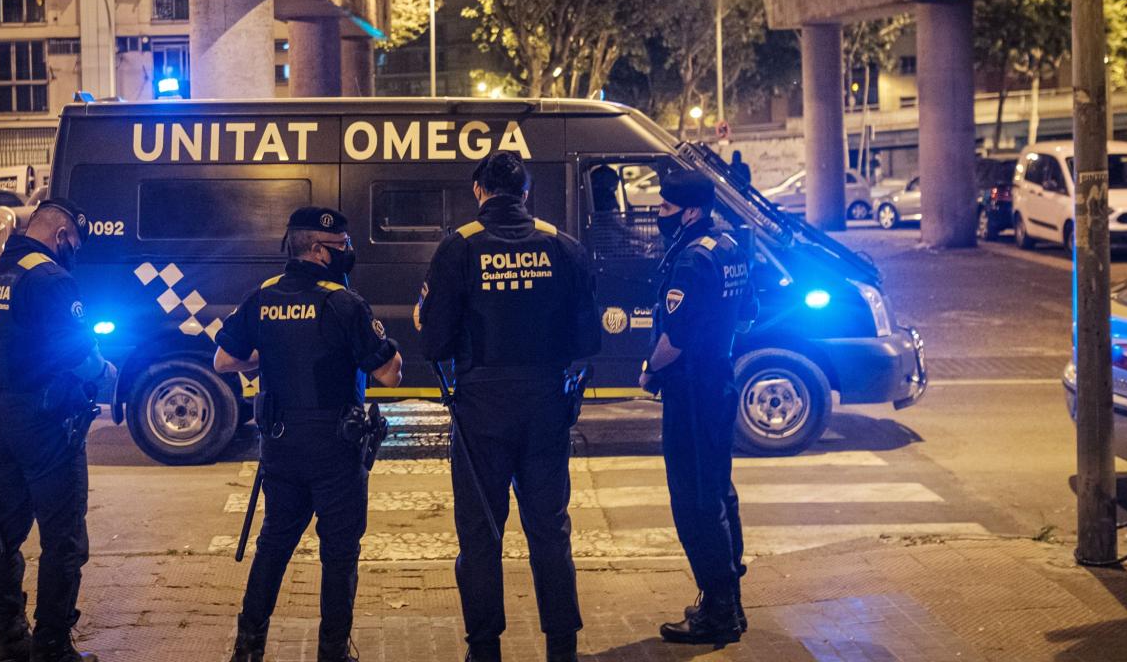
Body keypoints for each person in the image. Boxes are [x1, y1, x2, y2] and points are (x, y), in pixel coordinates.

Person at [416, 152, 601, 662]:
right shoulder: (563, 246)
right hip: (546, 406)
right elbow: (588, 339)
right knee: (550, 531)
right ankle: (561, 646)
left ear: (480, 191)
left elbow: (433, 343)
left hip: (480, 412)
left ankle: (484, 649)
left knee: (480, 535)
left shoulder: (459, 248)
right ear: (525, 192)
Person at [214, 207, 404, 662]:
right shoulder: (342, 302)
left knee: (274, 544)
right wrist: (391, 346)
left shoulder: (262, 296)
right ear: (318, 250)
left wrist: (271, 356)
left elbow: (223, 360)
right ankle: (332, 652)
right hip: (335, 447)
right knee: (339, 553)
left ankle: (247, 647)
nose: (347, 254)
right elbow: (389, 375)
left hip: (280, 442)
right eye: (342, 247)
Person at [0, 198, 114, 662]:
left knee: (4, 533)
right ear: (63, 236)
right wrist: (107, 374)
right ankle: (52, 646)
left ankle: (7, 639)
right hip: (47, 424)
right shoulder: (51, 279)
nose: (73, 252)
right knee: (63, 539)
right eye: (74, 243)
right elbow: (80, 355)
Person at [638, 168, 755, 646]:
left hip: (690, 390)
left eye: (665, 209)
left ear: (689, 211)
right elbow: (748, 315)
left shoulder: (690, 260)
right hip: (719, 382)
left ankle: (718, 612)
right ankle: (729, 600)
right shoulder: (730, 248)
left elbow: (675, 337)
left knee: (694, 502)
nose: (659, 216)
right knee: (719, 491)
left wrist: (649, 369)